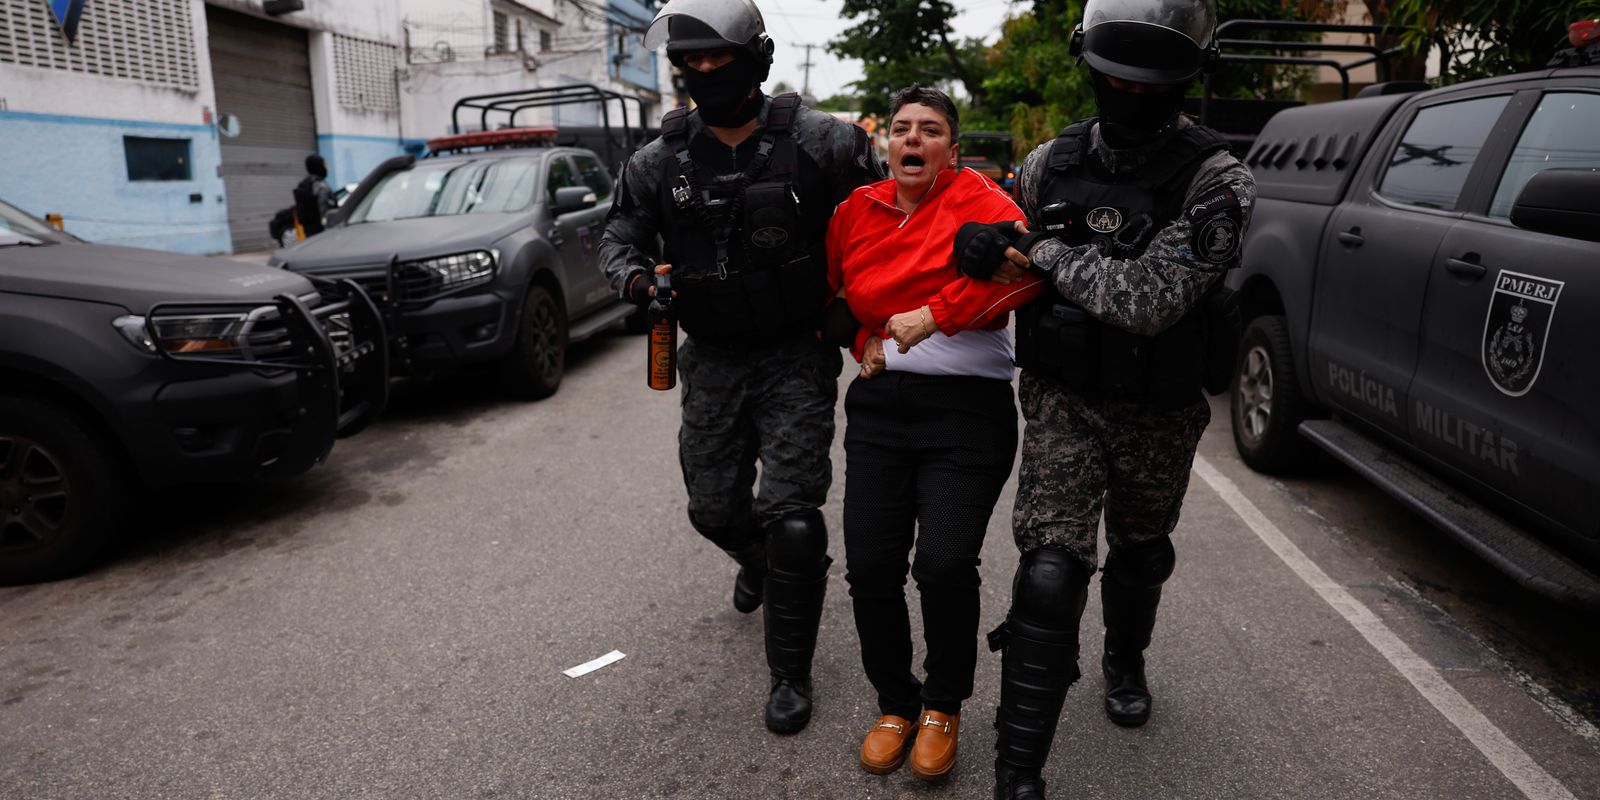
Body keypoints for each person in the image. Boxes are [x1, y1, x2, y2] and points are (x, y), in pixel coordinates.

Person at [952, 2, 1257, 797]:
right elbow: (1004, 262)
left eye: (1146, 81)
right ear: (1091, 65)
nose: (1128, 91)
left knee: (1141, 552)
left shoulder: (1218, 181)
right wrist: (978, 250)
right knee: (1050, 573)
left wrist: (1044, 251)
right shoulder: (1049, 163)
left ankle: (1126, 655)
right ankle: (1018, 774)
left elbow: (1150, 298)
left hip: (1159, 410)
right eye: (1114, 76)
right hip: (1063, 398)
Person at [598, 0, 882, 735]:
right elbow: (619, 236)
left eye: (718, 59)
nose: (704, 73)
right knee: (713, 508)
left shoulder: (826, 143)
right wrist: (635, 279)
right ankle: (756, 563)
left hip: (796, 354)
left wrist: (856, 305)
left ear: (754, 58)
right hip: (712, 358)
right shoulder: (657, 161)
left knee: (793, 520)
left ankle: (789, 672)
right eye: (691, 62)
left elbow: (887, 226)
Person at [826, 85, 1043, 782]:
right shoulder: (854, 213)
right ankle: (896, 702)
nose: (912, 139)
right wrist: (861, 332)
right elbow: (838, 295)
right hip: (880, 409)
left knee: (943, 565)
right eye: (900, 129)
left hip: (967, 411)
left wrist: (934, 315)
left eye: (929, 130)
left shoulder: (983, 203)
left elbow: (1030, 275)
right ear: (885, 142)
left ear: (951, 147)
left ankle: (944, 703)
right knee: (871, 569)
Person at [292, 154, 335, 238]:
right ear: (318, 166)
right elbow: (324, 209)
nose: (326, 168)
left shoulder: (303, 184)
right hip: (323, 232)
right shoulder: (320, 185)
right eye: (324, 165)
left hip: (309, 231)